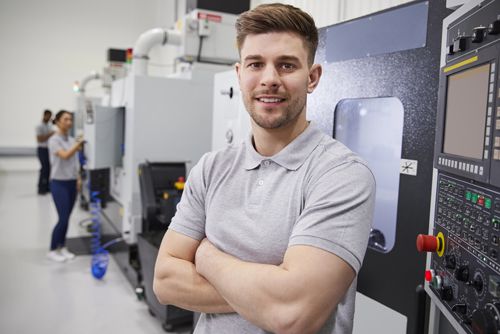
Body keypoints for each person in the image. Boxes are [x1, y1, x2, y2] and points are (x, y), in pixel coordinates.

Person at [153, 4, 376, 334]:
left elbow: (293, 315)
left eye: (286, 65)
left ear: (312, 77)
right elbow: (165, 282)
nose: (270, 79)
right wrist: (268, 294)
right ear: (240, 73)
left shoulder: (341, 175)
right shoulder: (211, 168)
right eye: (256, 64)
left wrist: (206, 256)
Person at [47, 110, 84, 262]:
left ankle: (62, 247)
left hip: (71, 182)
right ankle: (52, 249)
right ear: (57, 121)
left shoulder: (69, 139)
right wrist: (78, 144)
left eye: (70, 119)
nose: (69, 122)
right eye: (66, 119)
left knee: (67, 218)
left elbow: (75, 161)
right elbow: (65, 155)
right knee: (62, 218)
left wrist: (78, 178)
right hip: (58, 183)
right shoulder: (54, 140)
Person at [36, 109, 55, 194]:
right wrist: (50, 134)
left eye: (50, 116)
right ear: (44, 115)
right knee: (44, 169)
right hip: (42, 149)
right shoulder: (39, 126)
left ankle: (47, 186)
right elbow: (39, 139)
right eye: (48, 116)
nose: (49, 118)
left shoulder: (50, 126)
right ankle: (41, 188)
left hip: (49, 149)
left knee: (49, 169)